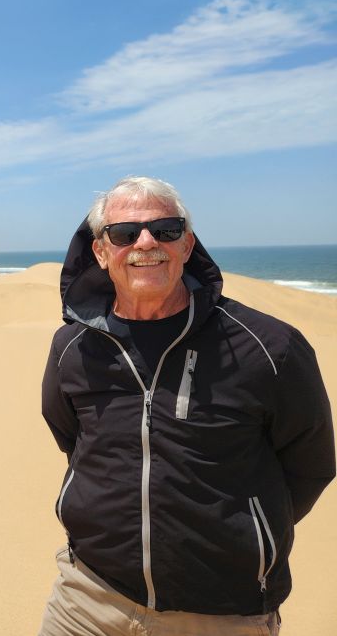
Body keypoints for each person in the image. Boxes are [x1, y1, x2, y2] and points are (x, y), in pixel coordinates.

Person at [38, 176, 335, 635]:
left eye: (165, 230)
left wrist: (240, 529)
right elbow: (72, 439)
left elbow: (310, 463)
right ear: (100, 252)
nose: (146, 243)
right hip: (87, 598)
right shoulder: (72, 348)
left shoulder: (268, 347)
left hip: (221, 614)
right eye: (125, 233)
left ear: (187, 244)